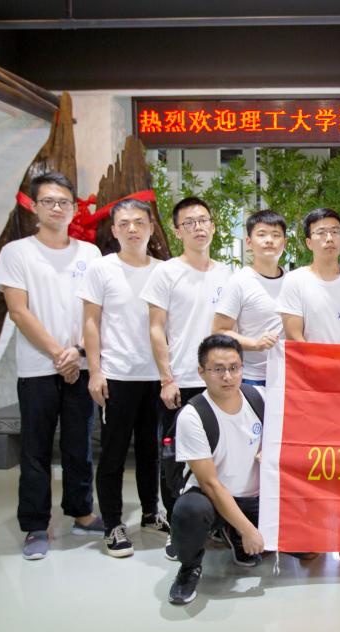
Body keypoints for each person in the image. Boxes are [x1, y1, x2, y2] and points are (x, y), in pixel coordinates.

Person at [0, 171, 104, 560]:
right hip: (38, 368)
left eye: (64, 202)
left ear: (74, 208)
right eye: (48, 201)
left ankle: (82, 513)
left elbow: (95, 311)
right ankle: (36, 525)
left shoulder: (89, 254)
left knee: (79, 445)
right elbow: (18, 312)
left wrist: (77, 353)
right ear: (34, 207)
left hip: (80, 364)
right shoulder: (17, 253)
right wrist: (60, 354)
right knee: (36, 449)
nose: (57, 208)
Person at [141, 197, 232, 558]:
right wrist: (167, 379)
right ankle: (178, 529)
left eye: (204, 220)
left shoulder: (227, 274)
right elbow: (156, 328)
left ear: (213, 226)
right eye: (189, 222)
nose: (198, 227)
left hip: (220, 381)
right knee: (175, 459)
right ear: (178, 231)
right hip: (181, 379)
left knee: (219, 456)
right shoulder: (165, 272)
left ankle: (216, 524)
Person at [78, 198, 169, 558]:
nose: (133, 229)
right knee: (114, 453)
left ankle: (150, 513)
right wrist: (95, 371)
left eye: (139, 222)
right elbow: (91, 322)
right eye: (125, 223)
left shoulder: (164, 270)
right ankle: (113, 523)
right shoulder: (101, 269)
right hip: (117, 375)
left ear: (150, 228)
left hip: (156, 376)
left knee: (151, 450)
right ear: (114, 230)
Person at [168, 335, 266, 605]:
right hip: (213, 498)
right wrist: (249, 530)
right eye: (218, 369)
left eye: (234, 368)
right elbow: (210, 484)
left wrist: (269, 452)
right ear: (201, 372)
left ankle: (234, 532)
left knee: (303, 551)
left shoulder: (259, 398)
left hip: (254, 497)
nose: (227, 376)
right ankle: (189, 568)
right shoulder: (193, 416)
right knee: (190, 511)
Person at [276, 208, 340, 345]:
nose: (330, 238)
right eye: (321, 233)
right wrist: (320, 359)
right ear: (309, 243)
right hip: (309, 358)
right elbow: (294, 335)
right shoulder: (294, 280)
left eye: (335, 232)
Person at [212, 209, 287, 386]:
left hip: (288, 374)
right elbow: (219, 331)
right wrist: (255, 344)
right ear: (249, 242)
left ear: (284, 242)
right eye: (261, 234)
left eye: (276, 235)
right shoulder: (239, 281)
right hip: (252, 377)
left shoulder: (293, 281)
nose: (269, 240)